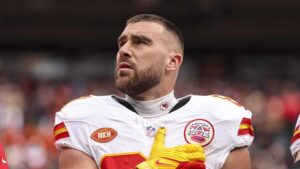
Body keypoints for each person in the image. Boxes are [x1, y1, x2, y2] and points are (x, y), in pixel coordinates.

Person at [53, 14, 254, 169]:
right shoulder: (84, 118)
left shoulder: (221, 118)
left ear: (173, 61)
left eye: (140, 42)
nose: (124, 50)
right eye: (122, 43)